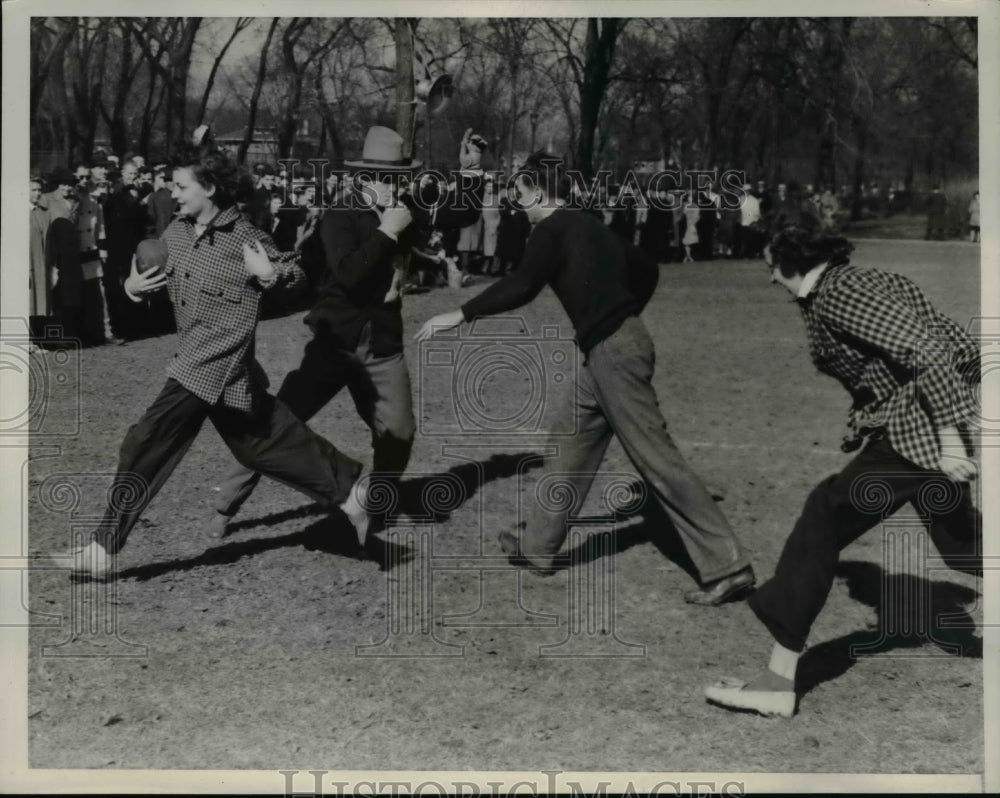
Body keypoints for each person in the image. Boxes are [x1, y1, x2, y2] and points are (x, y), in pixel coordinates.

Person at [416, 152, 755, 604]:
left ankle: (728, 565)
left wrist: (459, 314)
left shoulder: (549, 230)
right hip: (611, 346)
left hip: (613, 350)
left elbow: (522, 285)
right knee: (571, 437)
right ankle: (538, 547)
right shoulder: (587, 222)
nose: (516, 202)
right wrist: (623, 314)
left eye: (519, 194)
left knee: (655, 456)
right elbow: (647, 269)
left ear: (537, 191)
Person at [704, 214, 981, 718]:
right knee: (966, 548)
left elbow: (929, 351)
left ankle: (776, 681)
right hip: (922, 434)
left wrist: (947, 437)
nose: (770, 278)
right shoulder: (865, 279)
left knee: (824, 514)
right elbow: (958, 346)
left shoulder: (839, 294)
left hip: (913, 438)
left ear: (791, 261)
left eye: (771, 266)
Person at [54, 143, 369, 580]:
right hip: (221, 369)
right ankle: (353, 490)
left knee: (143, 441)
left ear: (211, 187)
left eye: (181, 186)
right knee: (263, 442)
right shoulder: (176, 235)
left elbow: (295, 274)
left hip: (207, 361)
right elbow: (154, 284)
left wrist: (271, 275)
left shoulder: (246, 237)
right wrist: (130, 287)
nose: (174, 193)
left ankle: (102, 549)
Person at [205, 126, 485, 538]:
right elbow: (351, 275)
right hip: (334, 342)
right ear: (360, 179)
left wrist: (471, 174)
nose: (392, 187)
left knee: (399, 430)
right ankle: (224, 505)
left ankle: (378, 502)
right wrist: (388, 231)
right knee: (280, 422)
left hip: (382, 343)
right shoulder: (341, 215)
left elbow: (461, 214)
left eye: (398, 178)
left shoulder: (404, 207)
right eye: (382, 178)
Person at [29, 177, 52, 345]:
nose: (37, 194)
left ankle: (36, 340)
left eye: (39, 190)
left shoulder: (43, 213)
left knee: (39, 301)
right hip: (28, 265)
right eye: (33, 190)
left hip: (41, 264)